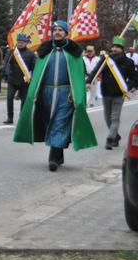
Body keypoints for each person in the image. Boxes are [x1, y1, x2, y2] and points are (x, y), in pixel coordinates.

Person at [13, 21, 97, 171]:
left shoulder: (74, 54)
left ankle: (53, 158)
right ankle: (58, 154)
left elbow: (78, 76)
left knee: (60, 123)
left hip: (66, 94)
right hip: (46, 93)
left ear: (66, 33)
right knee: (50, 123)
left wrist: (76, 93)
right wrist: (35, 92)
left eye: (60, 30)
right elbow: (38, 74)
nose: (57, 32)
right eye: (55, 29)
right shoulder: (44, 52)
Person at [87, 36, 138, 150]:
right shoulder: (105, 59)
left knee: (115, 117)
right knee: (107, 118)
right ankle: (116, 135)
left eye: (117, 47)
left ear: (122, 49)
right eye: (113, 47)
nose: (114, 49)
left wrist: (130, 86)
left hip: (119, 94)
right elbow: (95, 71)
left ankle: (110, 139)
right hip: (106, 92)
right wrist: (89, 81)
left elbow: (134, 78)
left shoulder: (128, 62)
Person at [2, 33, 35, 124]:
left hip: (25, 82)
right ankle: (10, 117)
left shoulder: (31, 54)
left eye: (22, 42)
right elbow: (5, 61)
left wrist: (32, 79)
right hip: (12, 80)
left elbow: (34, 68)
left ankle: (22, 118)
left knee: (24, 101)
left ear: (26, 42)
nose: (20, 44)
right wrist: (3, 67)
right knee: (9, 98)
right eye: (19, 42)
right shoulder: (12, 52)